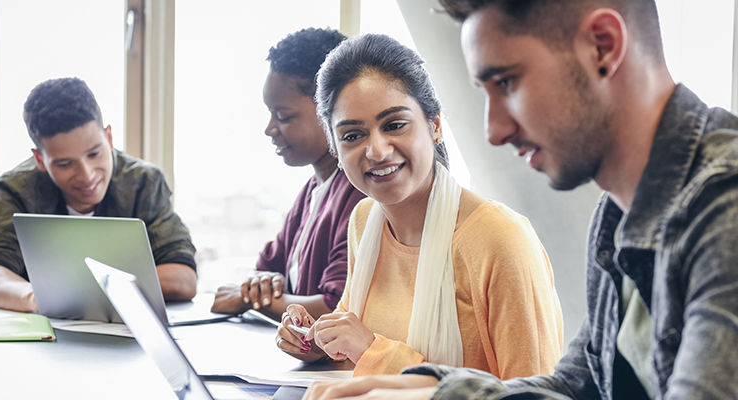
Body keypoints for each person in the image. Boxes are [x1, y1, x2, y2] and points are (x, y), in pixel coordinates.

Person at [301, 0, 738, 399]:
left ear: (603, 46)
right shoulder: (616, 213)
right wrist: (431, 391)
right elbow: (576, 386)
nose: (494, 130)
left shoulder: (725, 208)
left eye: (507, 82)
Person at [277, 33, 564, 378]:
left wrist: (374, 351)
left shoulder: (500, 240)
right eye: (353, 135)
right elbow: (353, 347)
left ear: (436, 126)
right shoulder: (365, 221)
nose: (378, 151)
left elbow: (536, 393)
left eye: (395, 125)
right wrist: (313, 341)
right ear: (336, 150)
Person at [0, 77, 197, 313]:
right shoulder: (14, 190)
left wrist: (78, 291)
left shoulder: (144, 183)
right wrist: (38, 299)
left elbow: (183, 278)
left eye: (94, 153)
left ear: (109, 138)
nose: (87, 175)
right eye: (64, 163)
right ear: (40, 160)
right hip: (45, 338)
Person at [210, 28, 366, 321]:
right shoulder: (311, 192)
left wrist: (248, 298)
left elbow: (335, 307)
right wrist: (259, 289)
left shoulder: (360, 195)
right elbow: (265, 270)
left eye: (283, 116)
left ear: (330, 109)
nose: (270, 128)